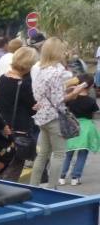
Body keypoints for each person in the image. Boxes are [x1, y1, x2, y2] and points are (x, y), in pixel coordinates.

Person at [27, 37, 84, 188]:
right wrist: (74, 93)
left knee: (43, 154)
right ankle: (53, 187)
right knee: (59, 154)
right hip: (55, 116)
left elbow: (46, 92)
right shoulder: (56, 72)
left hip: (42, 116)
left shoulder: (37, 68)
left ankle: (33, 186)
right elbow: (59, 99)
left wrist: (65, 90)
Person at [0, 47, 39, 182]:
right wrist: (37, 106)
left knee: (3, 167)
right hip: (19, 131)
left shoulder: (2, 78)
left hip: (2, 129)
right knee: (13, 172)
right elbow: (32, 109)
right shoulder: (23, 84)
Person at [59, 74, 99, 186]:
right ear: (91, 86)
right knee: (82, 153)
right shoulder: (91, 101)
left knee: (68, 153)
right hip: (85, 128)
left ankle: (62, 177)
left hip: (72, 126)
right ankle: (75, 177)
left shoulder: (71, 99)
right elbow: (94, 115)